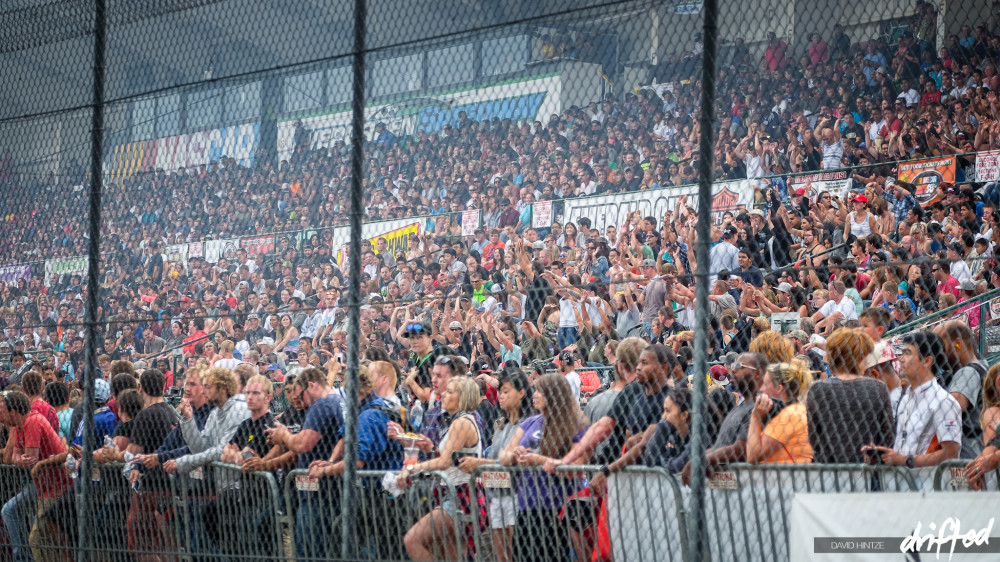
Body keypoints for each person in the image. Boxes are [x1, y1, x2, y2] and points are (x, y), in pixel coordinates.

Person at [309, 366, 405, 560]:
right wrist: (330, 461)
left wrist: (326, 471)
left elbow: (356, 461)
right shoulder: (362, 409)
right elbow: (345, 437)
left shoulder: (371, 415)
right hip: (370, 494)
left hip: (382, 497)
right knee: (344, 536)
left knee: (388, 551)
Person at [500, 373, 589, 562]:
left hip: (559, 508)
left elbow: (576, 467)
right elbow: (504, 456)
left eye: (540, 391)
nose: (535, 394)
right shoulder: (531, 422)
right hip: (528, 506)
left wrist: (538, 460)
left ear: (554, 395)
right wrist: (515, 454)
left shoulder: (576, 424)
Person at [399, 376, 483, 562]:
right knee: (455, 557)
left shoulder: (461, 422)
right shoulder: (456, 422)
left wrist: (412, 469)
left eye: (450, 392)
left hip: (461, 495)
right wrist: (429, 448)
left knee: (413, 540)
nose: (443, 394)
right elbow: (448, 457)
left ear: (462, 398)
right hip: (453, 492)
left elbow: (444, 462)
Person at [264, 367, 344, 560]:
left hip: (319, 493)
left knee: (310, 552)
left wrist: (284, 436)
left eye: (301, 395)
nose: (302, 401)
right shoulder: (339, 401)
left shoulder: (322, 404)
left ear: (312, 386)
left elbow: (303, 443)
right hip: (328, 489)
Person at [458, 368, 534, 562]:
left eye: (506, 391)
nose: (500, 395)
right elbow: (496, 460)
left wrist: (479, 463)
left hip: (516, 497)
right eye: (500, 390)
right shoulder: (502, 424)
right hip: (496, 494)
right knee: (501, 555)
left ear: (521, 393)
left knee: (512, 553)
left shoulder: (526, 424)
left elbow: (509, 463)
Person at [865, 331, 962, 468]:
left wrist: (906, 460)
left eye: (907, 353)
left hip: (927, 485)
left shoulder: (943, 402)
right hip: (902, 483)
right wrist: (883, 456)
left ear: (927, 361)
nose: (901, 359)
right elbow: (903, 447)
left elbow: (951, 453)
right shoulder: (905, 398)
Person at [807, 328, 894, 463]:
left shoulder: (818, 389)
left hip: (828, 468)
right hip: (866, 467)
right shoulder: (877, 388)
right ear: (860, 358)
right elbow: (888, 437)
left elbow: (813, 438)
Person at [747, 361, 813, 464]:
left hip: (787, 478)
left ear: (779, 388)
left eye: (765, 384)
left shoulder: (790, 415)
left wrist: (755, 417)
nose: (761, 389)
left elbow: (752, 456)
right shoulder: (796, 410)